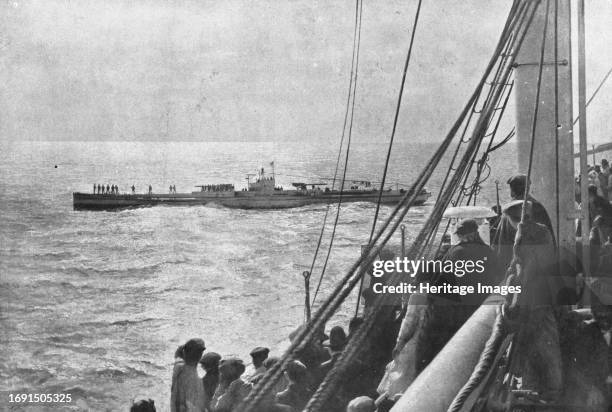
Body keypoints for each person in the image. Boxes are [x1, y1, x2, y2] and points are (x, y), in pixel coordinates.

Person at [503, 200, 563, 403]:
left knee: (534, 343)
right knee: (544, 341)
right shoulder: (542, 231)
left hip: (533, 298)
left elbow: (526, 266)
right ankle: (547, 387)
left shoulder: (527, 234)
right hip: (545, 294)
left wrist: (516, 297)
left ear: (513, 219)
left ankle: (538, 388)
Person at [171, 338, 207, 412]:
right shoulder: (186, 371)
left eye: (200, 352)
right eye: (197, 351)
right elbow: (183, 402)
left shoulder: (182, 367)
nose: (199, 354)